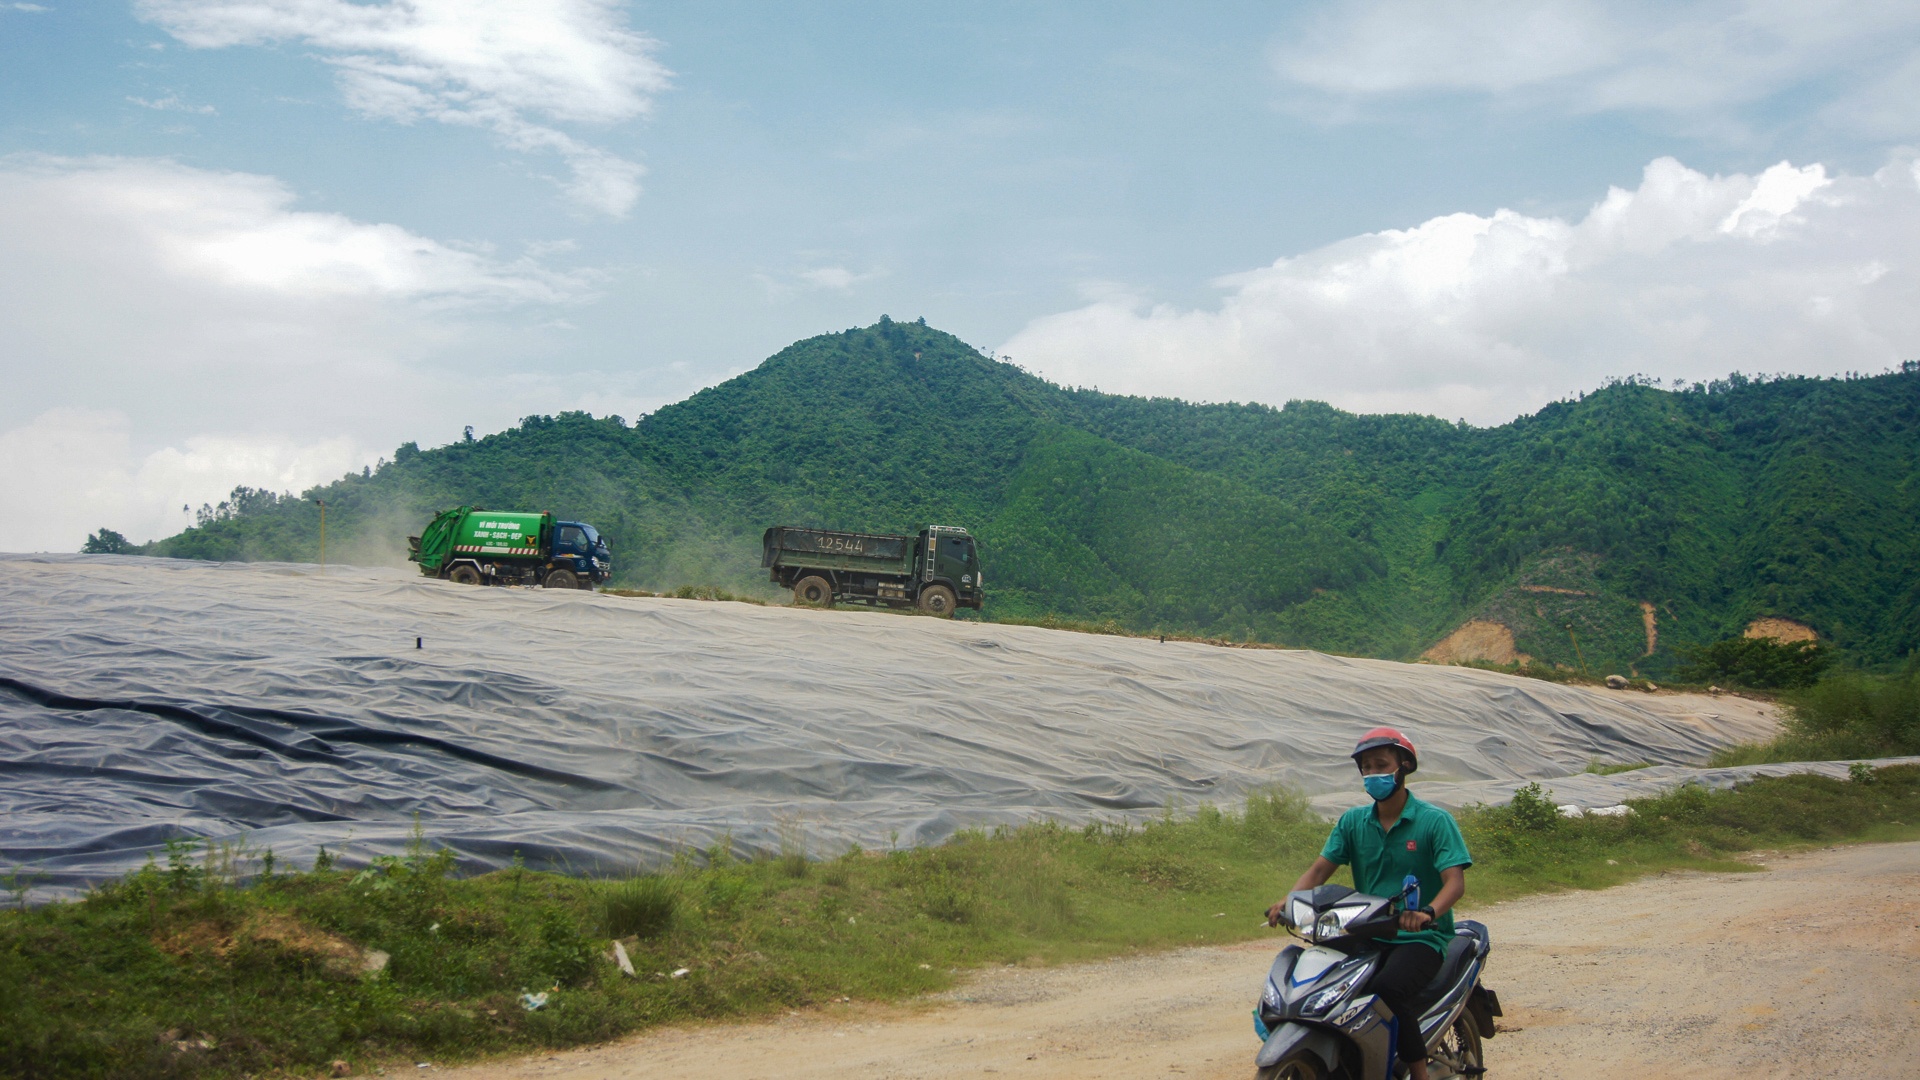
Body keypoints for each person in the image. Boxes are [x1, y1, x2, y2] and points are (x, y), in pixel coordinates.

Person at [1265, 728, 1472, 1080]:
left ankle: (1418, 1073)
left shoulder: (1434, 821)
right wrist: (1289, 900)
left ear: (1404, 766)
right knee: (1317, 980)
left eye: (1381, 765)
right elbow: (1319, 871)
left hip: (1420, 938)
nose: (1373, 773)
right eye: (1367, 767)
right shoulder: (1353, 822)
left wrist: (1427, 913)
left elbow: (1455, 882)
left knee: (1388, 990)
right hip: (1365, 930)